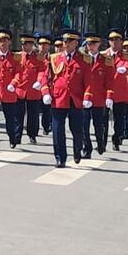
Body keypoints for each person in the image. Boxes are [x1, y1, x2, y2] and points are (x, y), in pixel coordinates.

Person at [39, 29, 93, 168]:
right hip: (58, 98)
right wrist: (45, 92)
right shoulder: (54, 58)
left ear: (76, 43)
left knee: (77, 129)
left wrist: (87, 97)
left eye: (69, 41)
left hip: (76, 99)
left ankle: (77, 150)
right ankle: (60, 158)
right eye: (64, 41)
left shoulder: (84, 60)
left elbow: (88, 81)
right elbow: (45, 76)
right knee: (57, 129)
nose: (66, 44)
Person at [0, 29, 23, 150]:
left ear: (9, 42)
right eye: (0, 40)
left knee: (10, 118)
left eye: (5, 40)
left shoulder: (15, 57)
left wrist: (14, 83)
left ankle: (12, 137)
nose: (2, 43)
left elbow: (19, 73)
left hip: (9, 92)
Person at [81, 33, 113, 158]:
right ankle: (87, 148)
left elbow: (109, 80)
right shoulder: (82, 59)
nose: (91, 46)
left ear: (99, 44)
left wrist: (109, 96)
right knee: (84, 125)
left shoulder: (106, 60)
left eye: (94, 44)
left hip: (99, 98)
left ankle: (100, 143)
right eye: (89, 43)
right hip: (84, 98)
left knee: (98, 125)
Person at [12, 34, 43, 145]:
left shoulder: (38, 57)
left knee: (33, 115)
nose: (24, 46)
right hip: (20, 89)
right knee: (18, 114)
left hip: (33, 91)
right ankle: (17, 136)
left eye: (26, 44)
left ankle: (32, 135)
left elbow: (42, 71)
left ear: (31, 45)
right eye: (23, 44)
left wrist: (39, 82)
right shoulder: (17, 56)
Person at [37, 34, 53, 135]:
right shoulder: (34, 57)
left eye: (46, 44)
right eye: (41, 44)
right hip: (35, 87)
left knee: (46, 108)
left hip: (47, 86)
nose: (43, 46)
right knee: (34, 109)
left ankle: (46, 126)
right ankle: (33, 129)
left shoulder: (52, 58)